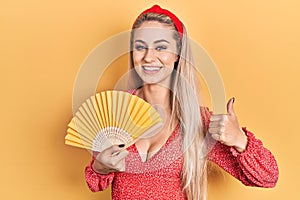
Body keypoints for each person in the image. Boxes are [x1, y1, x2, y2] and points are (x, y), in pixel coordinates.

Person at [85, 5, 279, 200]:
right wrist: (99, 168)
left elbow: (267, 177)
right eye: (140, 47)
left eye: (161, 47)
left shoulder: (197, 121)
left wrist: (240, 140)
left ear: (177, 54)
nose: (148, 57)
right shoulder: (115, 110)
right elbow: (96, 182)